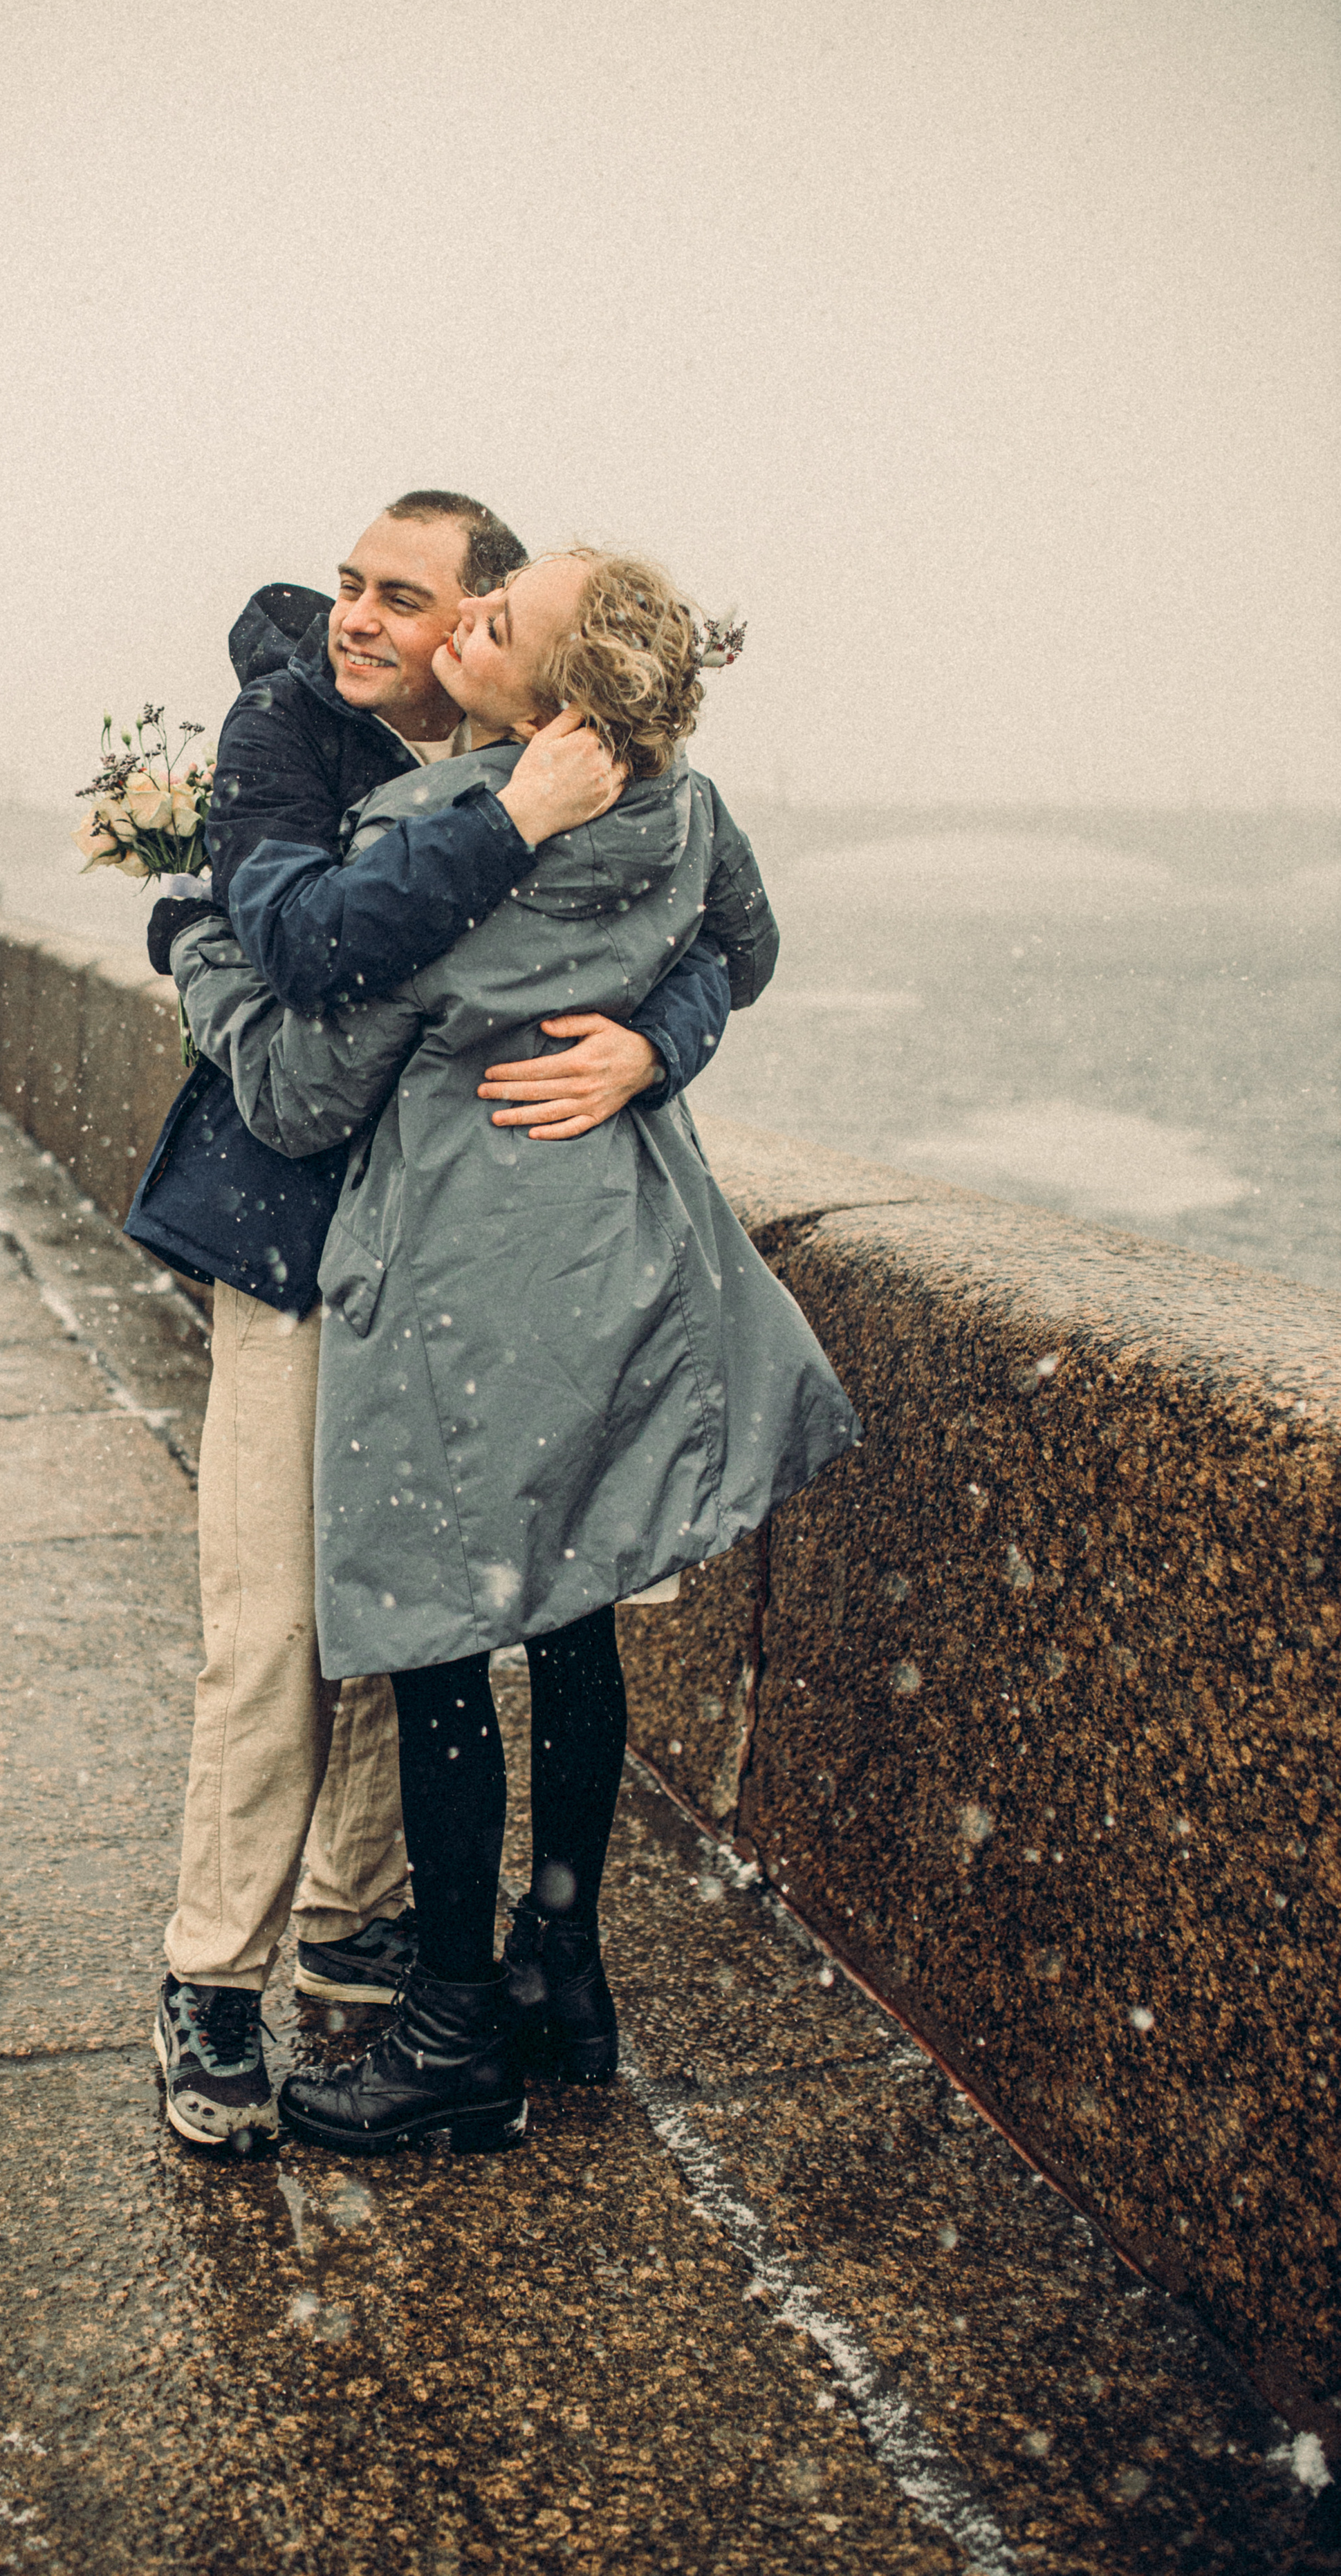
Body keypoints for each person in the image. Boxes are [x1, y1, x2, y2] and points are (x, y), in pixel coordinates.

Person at [172, 548, 860, 2156]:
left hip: (454, 1264)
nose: (450, 634)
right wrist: (647, 1036)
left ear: (548, 699)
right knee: (565, 1616)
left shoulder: (434, 833)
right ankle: (565, 1970)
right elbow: (744, 954)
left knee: (429, 1640)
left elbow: (297, 1088)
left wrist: (196, 946)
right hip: (612, 1251)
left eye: (484, 620)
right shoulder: (686, 810)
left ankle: (449, 2039)